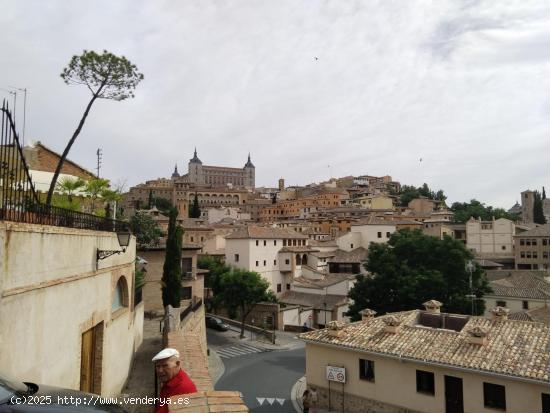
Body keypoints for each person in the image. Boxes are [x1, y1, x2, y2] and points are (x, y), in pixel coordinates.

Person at [153, 348, 197, 413]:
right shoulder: (170, 380)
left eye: (165, 366)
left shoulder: (182, 387)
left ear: (178, 364)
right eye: (158, 366)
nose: (160, 371)